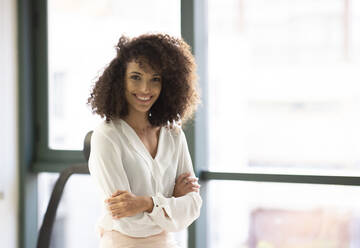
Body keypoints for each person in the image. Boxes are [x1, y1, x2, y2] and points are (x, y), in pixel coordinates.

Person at [87, 33, 202, 248]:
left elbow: (193, 207)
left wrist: (145, 203)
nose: (145, 89)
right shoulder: (107, 136)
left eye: (155, 79)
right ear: (120, 80)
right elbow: (128, 222)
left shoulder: (173, 135)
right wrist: (171, 203)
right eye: (136, 77)